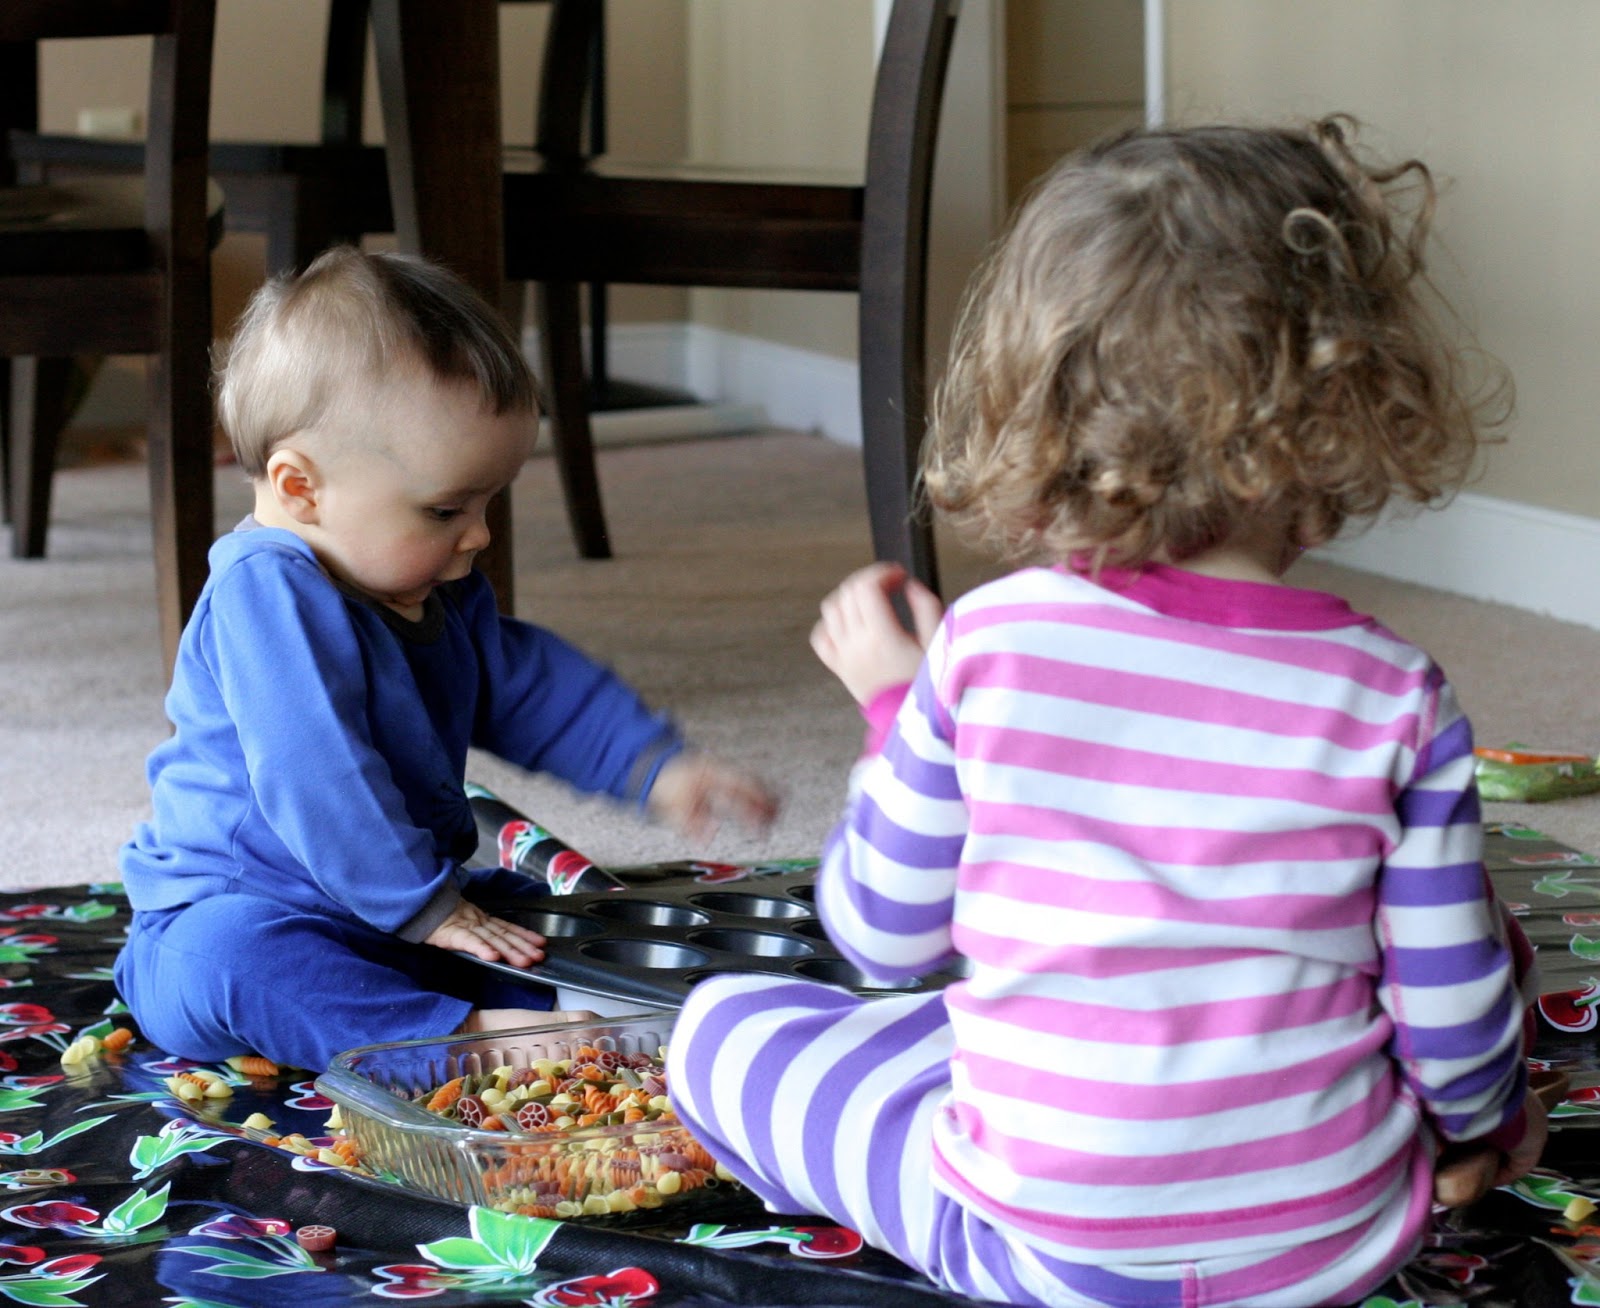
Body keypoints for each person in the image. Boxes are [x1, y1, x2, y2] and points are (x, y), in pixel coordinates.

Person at [666, 119, 1543, 1307]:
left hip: (1046, 1256)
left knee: (720, 1028)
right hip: (1327, 1250)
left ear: (1034, 402)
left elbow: (880, 935)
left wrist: (894, 709)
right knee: (1467, 945)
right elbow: (1449, 1014)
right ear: (1343, 406)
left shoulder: (985, 647)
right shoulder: (1393, 691)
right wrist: (1485, 1128)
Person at [116, 247, 776, 1073]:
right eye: (445, 509)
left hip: (401, 905)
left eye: (488, 501)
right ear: (301, 488)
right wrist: (423, 909)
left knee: (533, 916)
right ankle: (460, 1043)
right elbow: (315, 771)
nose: (479, 535)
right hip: (240, 914)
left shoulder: (431, 587)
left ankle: (571, 1007)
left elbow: (528, 687)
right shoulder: (265, 593)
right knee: (234, 960)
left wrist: (653, 765)